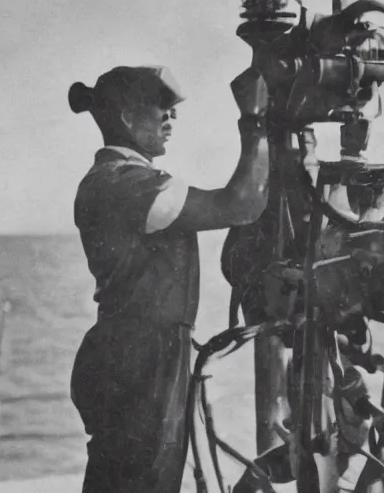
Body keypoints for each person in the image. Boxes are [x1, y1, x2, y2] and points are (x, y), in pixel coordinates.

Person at [68, 65, 270, 492]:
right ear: (125, 116)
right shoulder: (128, 186)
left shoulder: (112, 181)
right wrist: (255, 121)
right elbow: (241, 204)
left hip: (133, 353)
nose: (170, 119)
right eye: (161, 108)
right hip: (141, 362)